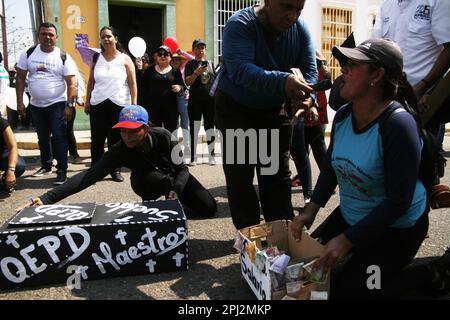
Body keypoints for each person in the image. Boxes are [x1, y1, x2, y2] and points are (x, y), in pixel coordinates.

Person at [291, 38, 429, 299]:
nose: (344, 70)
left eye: (354, 65)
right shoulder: (343, 116)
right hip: (353, 215)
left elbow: (398, 201)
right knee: (304, 271)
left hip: (397, 228)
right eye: (346, 64)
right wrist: (310, 211)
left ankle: (427, 275)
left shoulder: (398, 126)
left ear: (377, 75)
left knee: (348, 291)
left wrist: (346, 239)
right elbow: (331, 169)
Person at [215, 0, 315, 230]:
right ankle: (249, 237)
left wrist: (306, 96)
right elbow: (241, 70)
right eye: (287, 7)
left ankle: (281, 235)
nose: (292, 16)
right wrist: (284, 81)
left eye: (298, 10)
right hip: (237, 111)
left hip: (274, 112)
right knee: (241, 177)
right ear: (268, 1)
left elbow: (310, 72)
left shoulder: (300, 29)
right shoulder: (240, 24)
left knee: (276, 177)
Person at [24, 105, 217, 218]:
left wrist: (177, 188)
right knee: (148, 180)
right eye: (123, 131)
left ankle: (175, 204)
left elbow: (182, 169)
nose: (127, 136)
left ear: (146, 129)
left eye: (133, 131)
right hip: (148, 181)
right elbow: (88, 176)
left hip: (176, 179)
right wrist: (46, 199)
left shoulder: (165, 136)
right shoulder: (118, 149)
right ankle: (154, 205)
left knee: (209, 208)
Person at [16, 22, 78, 185]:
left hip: (57, 103)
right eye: (44, 34)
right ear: (39, 35)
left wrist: (69, 106)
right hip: (36, 104)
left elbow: (71, 83)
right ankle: (46, 165)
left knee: (59, 136)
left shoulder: (63, 56)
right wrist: (20, 102)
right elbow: (21, 78)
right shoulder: (28, 53)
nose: (47, 37)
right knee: (42, 137)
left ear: (56, 37)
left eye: (51, 34)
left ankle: (62, 170)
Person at [85, 26, 137, 183]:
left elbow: (133, 83)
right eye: (103, 37)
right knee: (97, 140)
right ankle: (95, 171)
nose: (106, 39)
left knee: (115, 140)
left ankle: (114, 169)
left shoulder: (125, 59)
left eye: (108, 36)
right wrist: (87, 101)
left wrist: (133, 105)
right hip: (98, 104)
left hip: (119, 104)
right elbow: (91, 82)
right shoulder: (96, 58)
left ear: (116, 38)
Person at [185, 39, 217, 166]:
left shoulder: (210, 63)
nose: (200, 50)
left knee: (210, 127)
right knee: (194, 128)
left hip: (209, 101)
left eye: (203, 47)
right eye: (198, 48)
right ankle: (193, 157)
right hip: (195, 101)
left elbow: (214, 80)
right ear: (194, 50)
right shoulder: (190, 64)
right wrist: (196, 73)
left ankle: (212, 155)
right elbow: (187, 82)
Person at [142, 45, 184, 135]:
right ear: (156, 57)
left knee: (171, 134)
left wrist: (180, 88)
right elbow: (142, 87)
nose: (162, 56)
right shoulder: (149, 70)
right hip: (153, 109)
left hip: (171, 109)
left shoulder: (175, 72)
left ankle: (169, 149)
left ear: (170, 58)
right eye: (160, 54)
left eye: (165, 54)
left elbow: (183, 87)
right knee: (154, 133)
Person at [171, 52, 191, 156]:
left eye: (178, 59)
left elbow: (184, 86)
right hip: (171, 103)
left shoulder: (180, 70)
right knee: (175, 126)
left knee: (185, 124)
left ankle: (187, 147)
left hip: (182, 101)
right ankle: (175, 148)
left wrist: (180, 88)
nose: (176, 61)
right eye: (175, 59)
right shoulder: (168, 70)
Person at [0, 116, 25, 193]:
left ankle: (5, 180)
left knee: (19, 166)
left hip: (3, 154)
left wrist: (11, 170)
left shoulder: (2, 122)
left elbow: (13, 146)